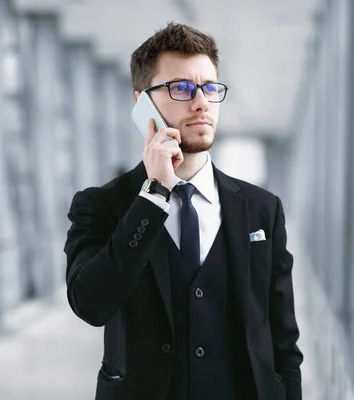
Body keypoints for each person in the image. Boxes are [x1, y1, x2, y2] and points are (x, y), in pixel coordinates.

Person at [63, 22, 303, 400]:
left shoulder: (262, 210)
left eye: (209, 88)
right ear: (144, 103)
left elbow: (284, 344)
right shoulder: (101, 205)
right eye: (182, 88)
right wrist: (153, 196)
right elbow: (91, 304)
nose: (201, 102)